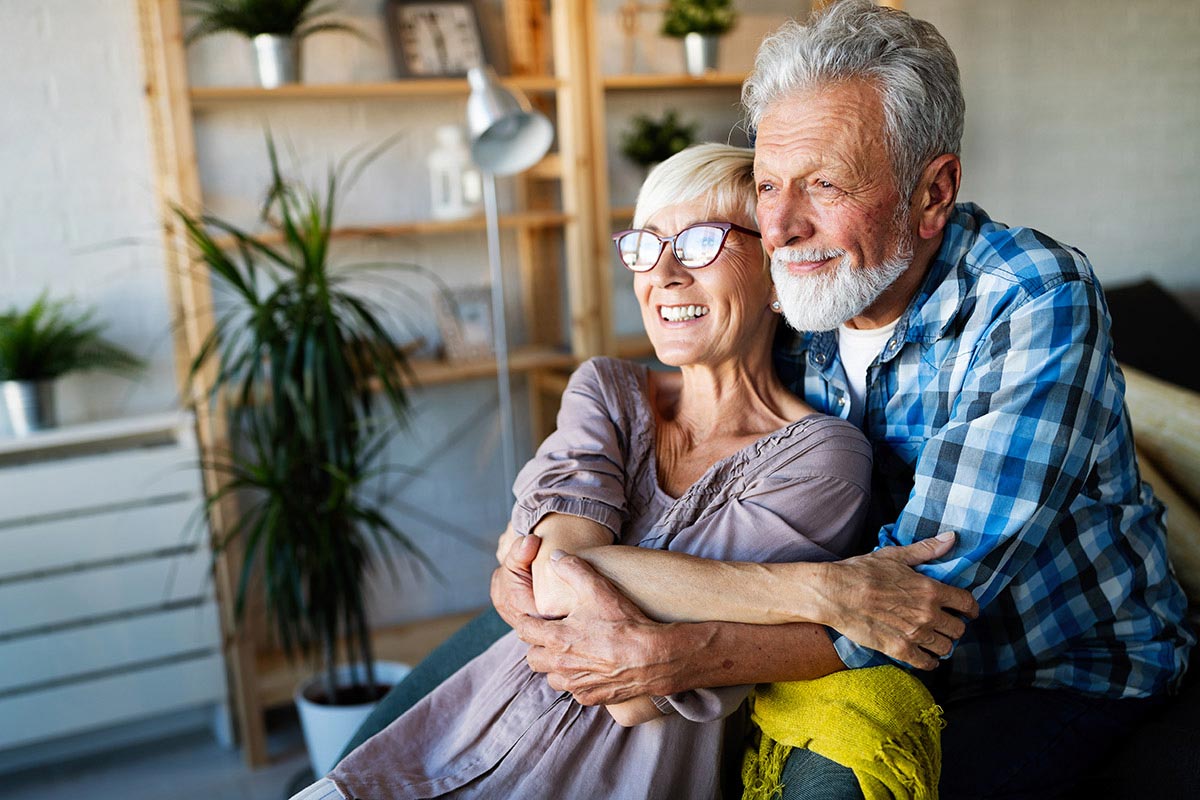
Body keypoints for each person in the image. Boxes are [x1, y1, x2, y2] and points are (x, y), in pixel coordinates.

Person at [486, 2, 1194, 798]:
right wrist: (528, 573)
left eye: (824, 183)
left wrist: (671, 654)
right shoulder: (794, 300)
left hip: (1051, 669)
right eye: (767, 185)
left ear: (934, 194)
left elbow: (923, 601)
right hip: (832, 645)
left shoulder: (1030, 298)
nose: (781, 225)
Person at [291, 143, 919, 800]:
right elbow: (554, 577)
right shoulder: (607, 389)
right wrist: (813, 591)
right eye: (646, 246)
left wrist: (543, 564)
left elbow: (637, 693)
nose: (665, 273)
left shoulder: (823, 456)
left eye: (701, 242)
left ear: (776, 278)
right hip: (438, 753)